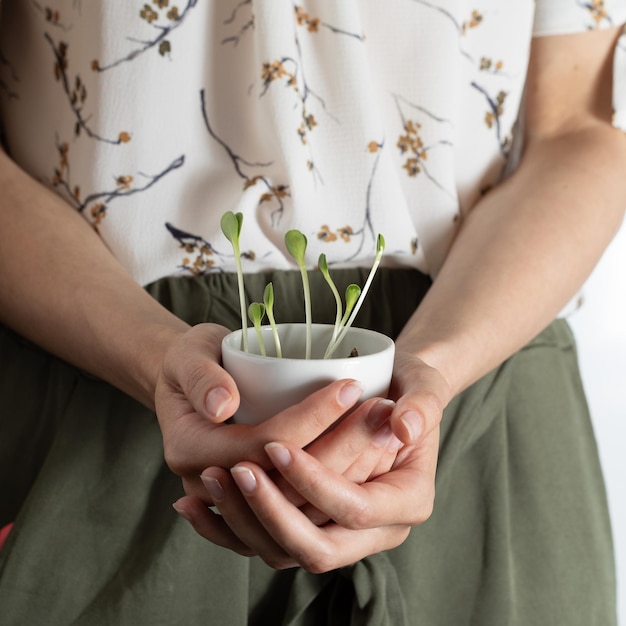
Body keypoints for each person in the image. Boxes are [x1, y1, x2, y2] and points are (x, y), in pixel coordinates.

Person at [0, 1, 624, 624]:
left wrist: (429, 376)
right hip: (97, 369)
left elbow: (577, 128)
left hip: (480, 374)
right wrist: (152, 354)